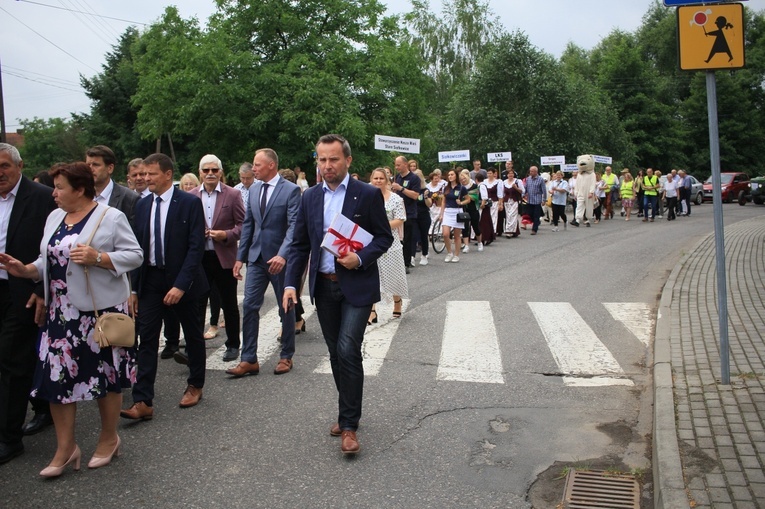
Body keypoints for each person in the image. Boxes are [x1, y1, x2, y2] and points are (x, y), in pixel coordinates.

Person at [0, 162, 143, 477]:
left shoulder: (110, 216)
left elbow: (135, 255)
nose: (54, 193)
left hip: (99, 312)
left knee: (106, 377)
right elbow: (48, 259)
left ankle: (109, 439)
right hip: (60, 315)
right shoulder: (54, 217)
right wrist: (25, 270)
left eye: (60, 187)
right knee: (56, 380)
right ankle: (66, 449)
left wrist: (100, 258)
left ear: (80, 189)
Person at [283, 134, 393, 455]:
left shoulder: (368, 194)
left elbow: (383, 238)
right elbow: (301, 245)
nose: (327, 165)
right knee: (334, 353)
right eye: (322, 160)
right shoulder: (310, 197)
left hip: (358, 286)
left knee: (347, 348)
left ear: (347, 161)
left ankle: (349, 425)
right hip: (323, 285)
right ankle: (347, 409)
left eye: (333, 159)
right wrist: (292, 284)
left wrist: (359, 258)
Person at [120, 153, 210, 420]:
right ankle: (143, 400)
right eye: (143, 174)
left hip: (184, 280)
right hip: (151, 280)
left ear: (168, 174)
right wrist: (134, 289)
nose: (145, 178)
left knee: (192, 334)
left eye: (151, 174)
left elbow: (196, 249)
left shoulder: (189, 203)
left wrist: (181, 285)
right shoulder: (143, 204)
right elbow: (137, 249)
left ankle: (195, 384)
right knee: (147, 338)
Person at [0, 145, 57, 463]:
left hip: (22, 291)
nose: (0, 173)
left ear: (20, 166)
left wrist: (40, 287)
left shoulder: (41, 197)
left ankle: (9, 438)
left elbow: (50, 249)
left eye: (5, 166)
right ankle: (43, 406)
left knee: (12, 361)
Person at [229, 148, 301, 377]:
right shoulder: (254, 188)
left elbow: (294, 227)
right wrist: (240, 258)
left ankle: (286, 355)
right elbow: (249, 224)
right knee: (250, 306)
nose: (253, 169)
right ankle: (249, 358)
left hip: (280, 261)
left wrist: (283, 254)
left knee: (285, 307)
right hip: (257, 259)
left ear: (271, 165)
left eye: (257, 165)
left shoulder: (291, 191)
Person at [188, 155, 244, 363]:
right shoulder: (192, 195)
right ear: (200, 172)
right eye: (206, 170)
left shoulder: (233, 195)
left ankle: (232, 345)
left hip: (224, 255)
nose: (210, 174)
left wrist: (226, 235)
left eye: (214, 170)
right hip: (200, 258)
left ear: (220, 172)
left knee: (229, 303)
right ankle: (194, 346)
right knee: (197, 303)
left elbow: (243, 225)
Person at [367, 169, 408, 322]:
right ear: (371, 179)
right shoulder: (366, 197)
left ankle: (397, 301)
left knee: (393, 275)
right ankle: (372, 310)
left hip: (391, 243)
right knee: (372, 276)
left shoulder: (396, 199)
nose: (378, 181)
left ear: (386, 180)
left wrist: (381, 226)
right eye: (375, 178)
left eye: (381, 178)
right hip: (371, 243)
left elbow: (400, 219)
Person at [86, 145, 139, 226]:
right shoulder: (80, 196)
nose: (90, 169)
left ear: (110, 168)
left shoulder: (129, 198)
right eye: (88, 165)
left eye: (96, 165)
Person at [391, 155, 421, 272]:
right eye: (395, 165)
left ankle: (406, 263)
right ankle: (396, 262)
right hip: (396, 212)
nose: (396, 167)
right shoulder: (397, 177)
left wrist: (401, 189)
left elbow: (415, 195)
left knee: (407, 238)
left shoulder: (414, 178)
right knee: (396, 238)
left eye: (398, 165)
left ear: (405, 164)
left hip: (409, 212)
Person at [439, 169, 469, 262]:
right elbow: (444, 201)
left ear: (456, 176)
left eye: (452, 174)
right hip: (448, 211)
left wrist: (461, 202)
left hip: (457, 211)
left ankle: (456, 254)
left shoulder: (461, 188)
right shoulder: (446, 188)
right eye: (449, 175)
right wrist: (441, 213)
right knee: (445, 234)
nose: (450, 176)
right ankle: (449, 252)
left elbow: (468, 199)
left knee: (457, 236)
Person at [412, 169, 432, 266]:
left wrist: (426, 197)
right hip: (413, 215)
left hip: (424, 215)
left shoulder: (426, 190)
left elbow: (429, 204)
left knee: (424, 235)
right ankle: (412, 256)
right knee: (413, 236)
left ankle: (424, 254)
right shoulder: (411, 190)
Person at [460, 170, 483, 251]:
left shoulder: (474, 186)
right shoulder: (460, 187)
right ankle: (466, 245)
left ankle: (480, 242)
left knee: (475, 226)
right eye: (461, 179)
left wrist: (466, 197)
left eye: (464, 178)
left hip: (473, 208)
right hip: (463, 209)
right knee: (465, 227)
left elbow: (475, 197)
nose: (463, 180)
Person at [479, 167, 502, 245]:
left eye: (490, 173)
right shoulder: (484, 182)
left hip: (494, 201)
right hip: (485, 202)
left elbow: (500, 194)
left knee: (493, 217)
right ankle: (486, 233)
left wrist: (500, 203)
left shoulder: (498, 182)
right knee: (486, 219)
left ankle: (493, 232)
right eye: (488, 173)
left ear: (494, 174)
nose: (489, 175)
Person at [523, 166, 547, 235]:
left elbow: (544, 190)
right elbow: (525, 188)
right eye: (530, 171)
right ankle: (537, 222)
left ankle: (534, 229)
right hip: (530, 200)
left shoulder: (540, 179)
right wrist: (523, 195)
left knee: (536, 215)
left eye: (532, 171)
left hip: (537, 200)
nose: (531, 172)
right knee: (530, 214)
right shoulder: (528, 179)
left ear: (536, 172)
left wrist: (544, 200)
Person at [501, 167, 524, 237]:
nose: (510, 175)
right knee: (508, 216)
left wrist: (516, 188)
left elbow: (522, 191)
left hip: (514, 200)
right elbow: (502, 193)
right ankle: (514, 231)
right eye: (509, 174)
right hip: (506, 201)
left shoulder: (518, 181)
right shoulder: (504, 182)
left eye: (512, 173)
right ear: (507, 175)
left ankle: (509, 231)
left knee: (512, 215)